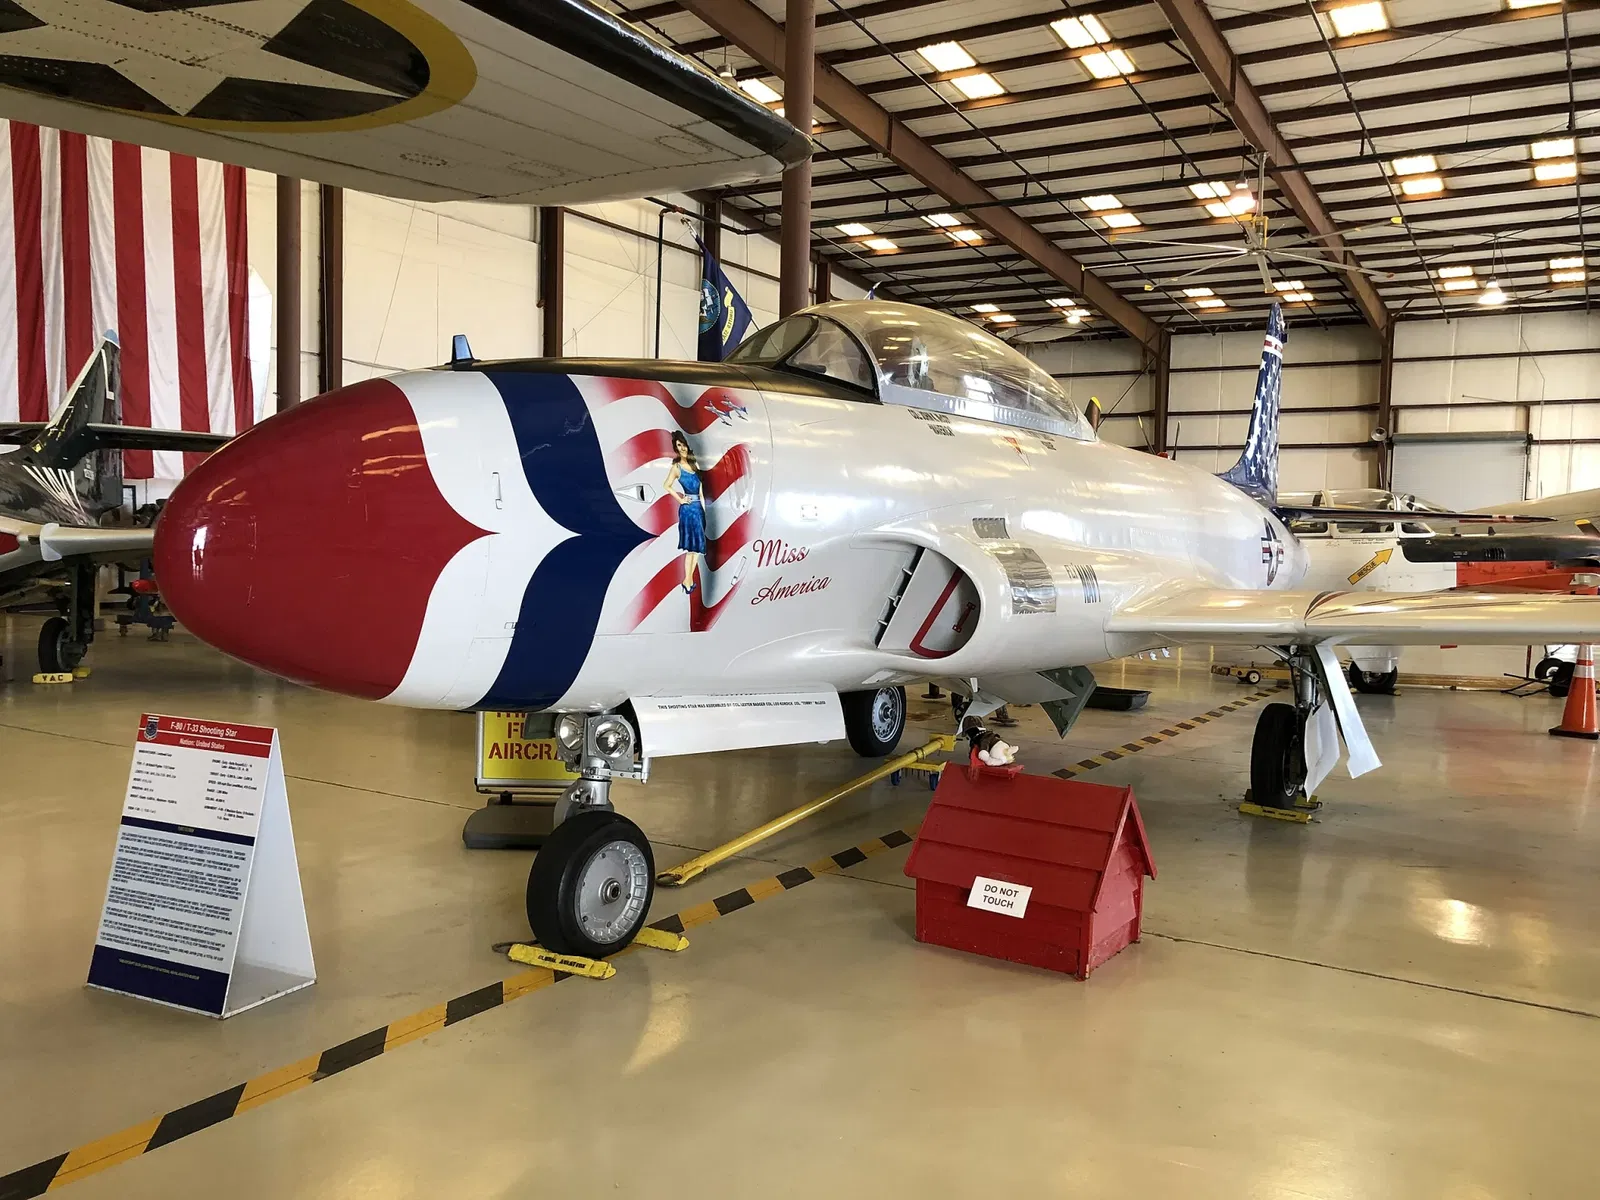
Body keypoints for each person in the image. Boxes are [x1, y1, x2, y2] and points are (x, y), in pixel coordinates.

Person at [664, 431, 705, 594]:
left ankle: (688, 579)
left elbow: (701, 489)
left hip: (698, 508)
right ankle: (688, 579)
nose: (682, 448)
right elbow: (666, 485)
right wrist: (680, 499)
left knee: (697, 547)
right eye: (678, 446)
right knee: (692, 548)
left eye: (683, 444)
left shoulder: (695, 465)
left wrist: (704, 507)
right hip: (688, 510)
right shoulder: (677, 467)